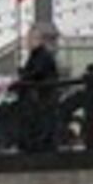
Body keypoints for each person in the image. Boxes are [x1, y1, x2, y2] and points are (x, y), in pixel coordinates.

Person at [19, 22, 60, 152]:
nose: (28, 41)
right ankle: (34, 143)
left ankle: (43, 144)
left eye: (31, 38)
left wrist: (24, 76)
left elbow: (38, 72)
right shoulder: (34, 55)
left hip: (44, 95)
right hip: (39, 96)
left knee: (44, 122)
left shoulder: (43, 55)